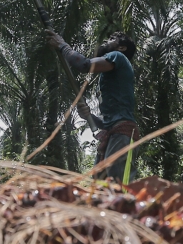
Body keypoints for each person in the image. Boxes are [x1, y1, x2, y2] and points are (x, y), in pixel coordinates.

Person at [46, 30, 139, 181]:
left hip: (122, 133)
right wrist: (89, 116)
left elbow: (83, 64)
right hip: (114, 133)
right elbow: (108, 123)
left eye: (112, 38)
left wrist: (62, 45)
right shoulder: (109, 76)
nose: (106, 40)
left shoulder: (118, 57)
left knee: (118, 184)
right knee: (99, 183)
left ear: (122, 48)